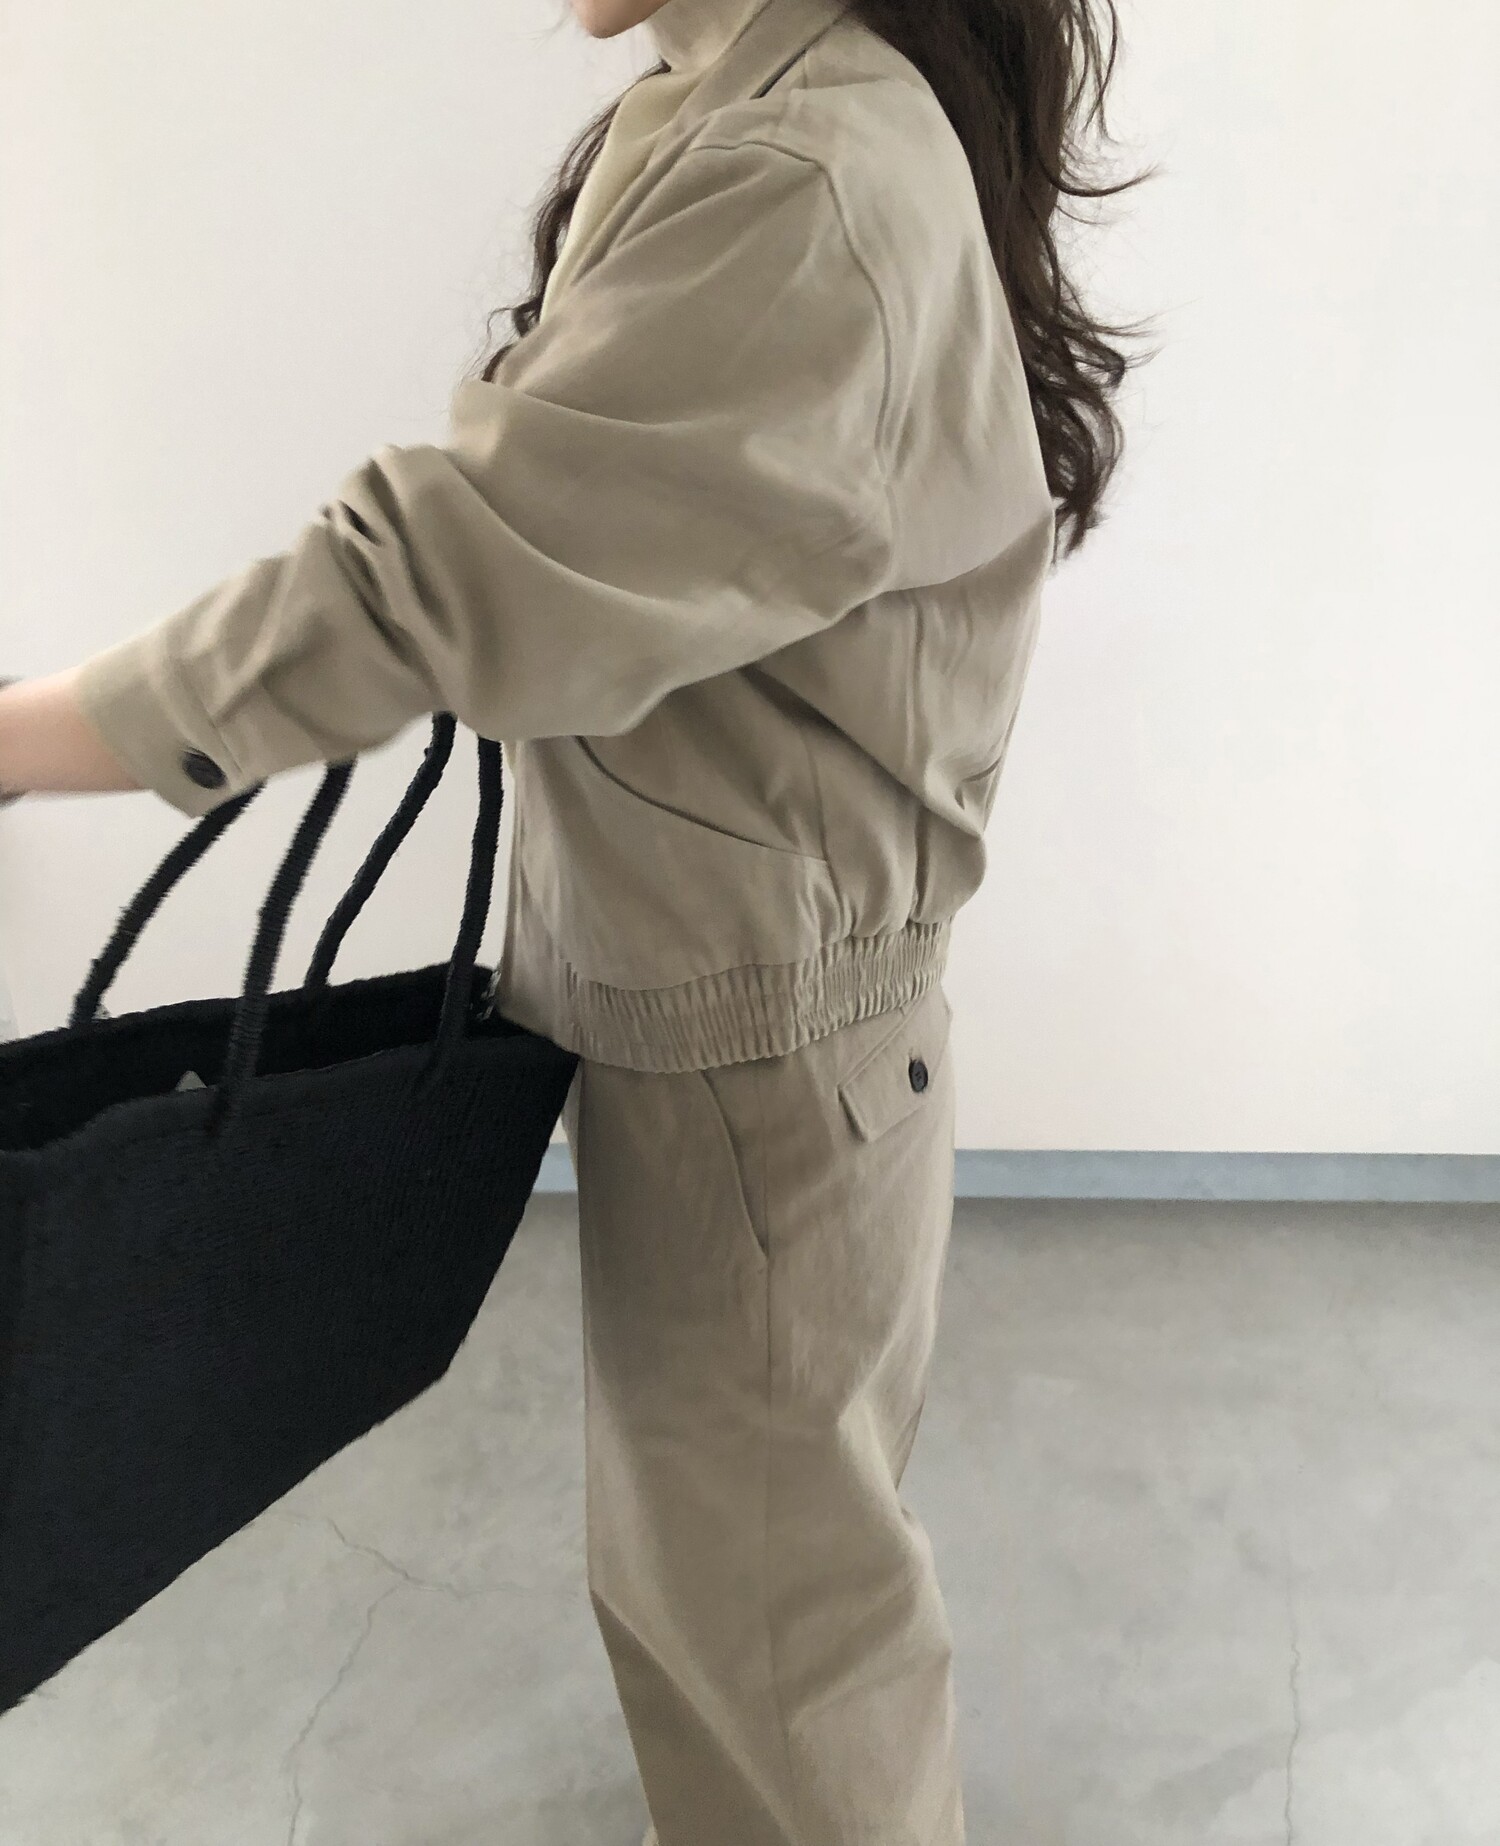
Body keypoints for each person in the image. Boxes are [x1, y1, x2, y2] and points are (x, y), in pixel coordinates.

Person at [0, 0, 1156, 1837]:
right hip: (726, 1020)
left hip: (769, 1061)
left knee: (780, 1644)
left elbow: (444, 579)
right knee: (733, 1598)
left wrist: (25, 743)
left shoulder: (803, 172)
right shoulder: (728, 107)